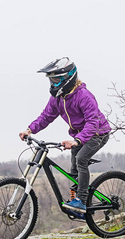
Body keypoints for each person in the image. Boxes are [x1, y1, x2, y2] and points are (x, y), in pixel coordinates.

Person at [19, 57, 111, 213]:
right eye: (51, 80)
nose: (53, 83)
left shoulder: (84, 96)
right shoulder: (58, 98)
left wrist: (77, 140)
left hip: (97, 133)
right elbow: (46, 116)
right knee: (74, 170)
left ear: (68, 77)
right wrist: (30, 129)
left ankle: (81, 201)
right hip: (79, 136)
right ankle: (80, 210)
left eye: (56, 79)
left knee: (81, 159)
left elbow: (93, 122)